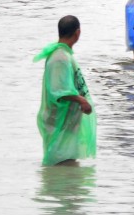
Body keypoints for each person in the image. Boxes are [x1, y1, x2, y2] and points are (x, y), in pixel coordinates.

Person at [34, 15, 96, 166]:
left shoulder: (63, 54)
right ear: (78, 33)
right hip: (59, 120)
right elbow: (58, 89)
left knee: (67, 167)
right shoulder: (60, 57)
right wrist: (81, 100)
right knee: (61, 161)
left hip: (66, 121)